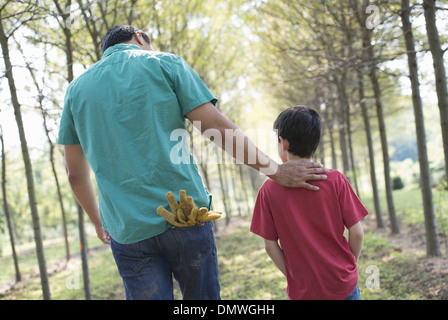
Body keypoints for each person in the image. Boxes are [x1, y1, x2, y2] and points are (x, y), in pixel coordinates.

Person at [58, 25, 328, 300]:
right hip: (185, 215)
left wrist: (98, 222)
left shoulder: (76, 91)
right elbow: (214, 127)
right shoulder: (165, 63)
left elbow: (75, 174)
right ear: (139, 36)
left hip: (128, 231)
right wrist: (275, 171)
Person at [250, 106, 368, 300]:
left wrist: (294, 278)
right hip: (343, 286)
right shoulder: (336, 180)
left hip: (304, 292)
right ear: (315, 142)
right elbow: (357, 232)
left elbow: (270, 246)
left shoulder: (268, 190)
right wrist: (347, 268)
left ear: (283, 143)